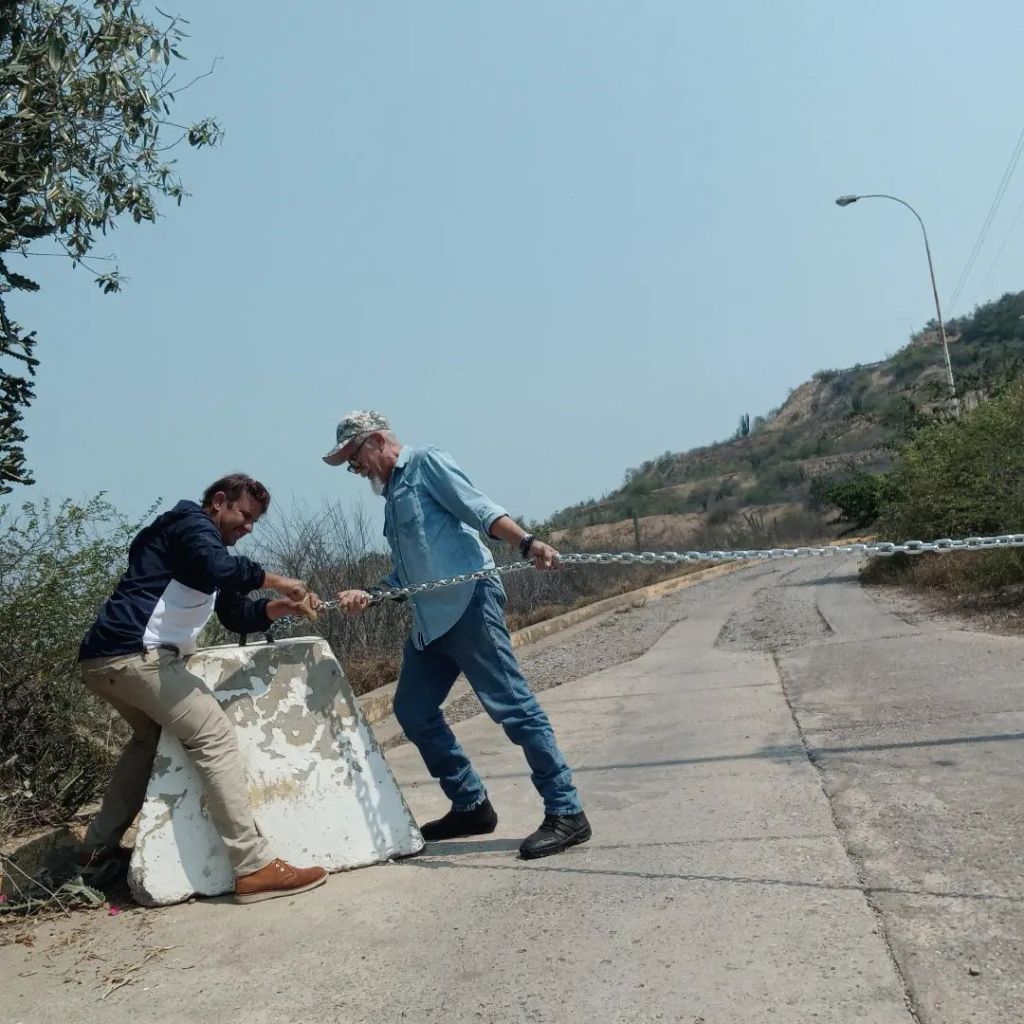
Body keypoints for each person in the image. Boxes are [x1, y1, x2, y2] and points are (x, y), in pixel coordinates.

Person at [323, 412, 590, 859]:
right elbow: (413, 572)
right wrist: (369, 594)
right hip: (432, 622)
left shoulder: (426, 464)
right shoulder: (392, 496)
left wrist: (527, 543)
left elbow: (479, 508)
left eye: (355, 459)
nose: (357, 471)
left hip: (468, 603)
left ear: (376, 441)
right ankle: (471, 805)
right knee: (412, 709)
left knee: (515, 708)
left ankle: (567, 812)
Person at [77, 473, 328, 904]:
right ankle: (252, 866)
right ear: (218, 501)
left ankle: (95, 854)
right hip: (134, 654)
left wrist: (278, 607)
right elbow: (218, 569)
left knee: (147, 740)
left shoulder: (210, 551)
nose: (247, 527)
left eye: (254, 522)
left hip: (108, 659)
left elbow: (237, 616)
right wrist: (280, 579)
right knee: (213, 734)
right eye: (244, 515)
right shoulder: (188, 524)